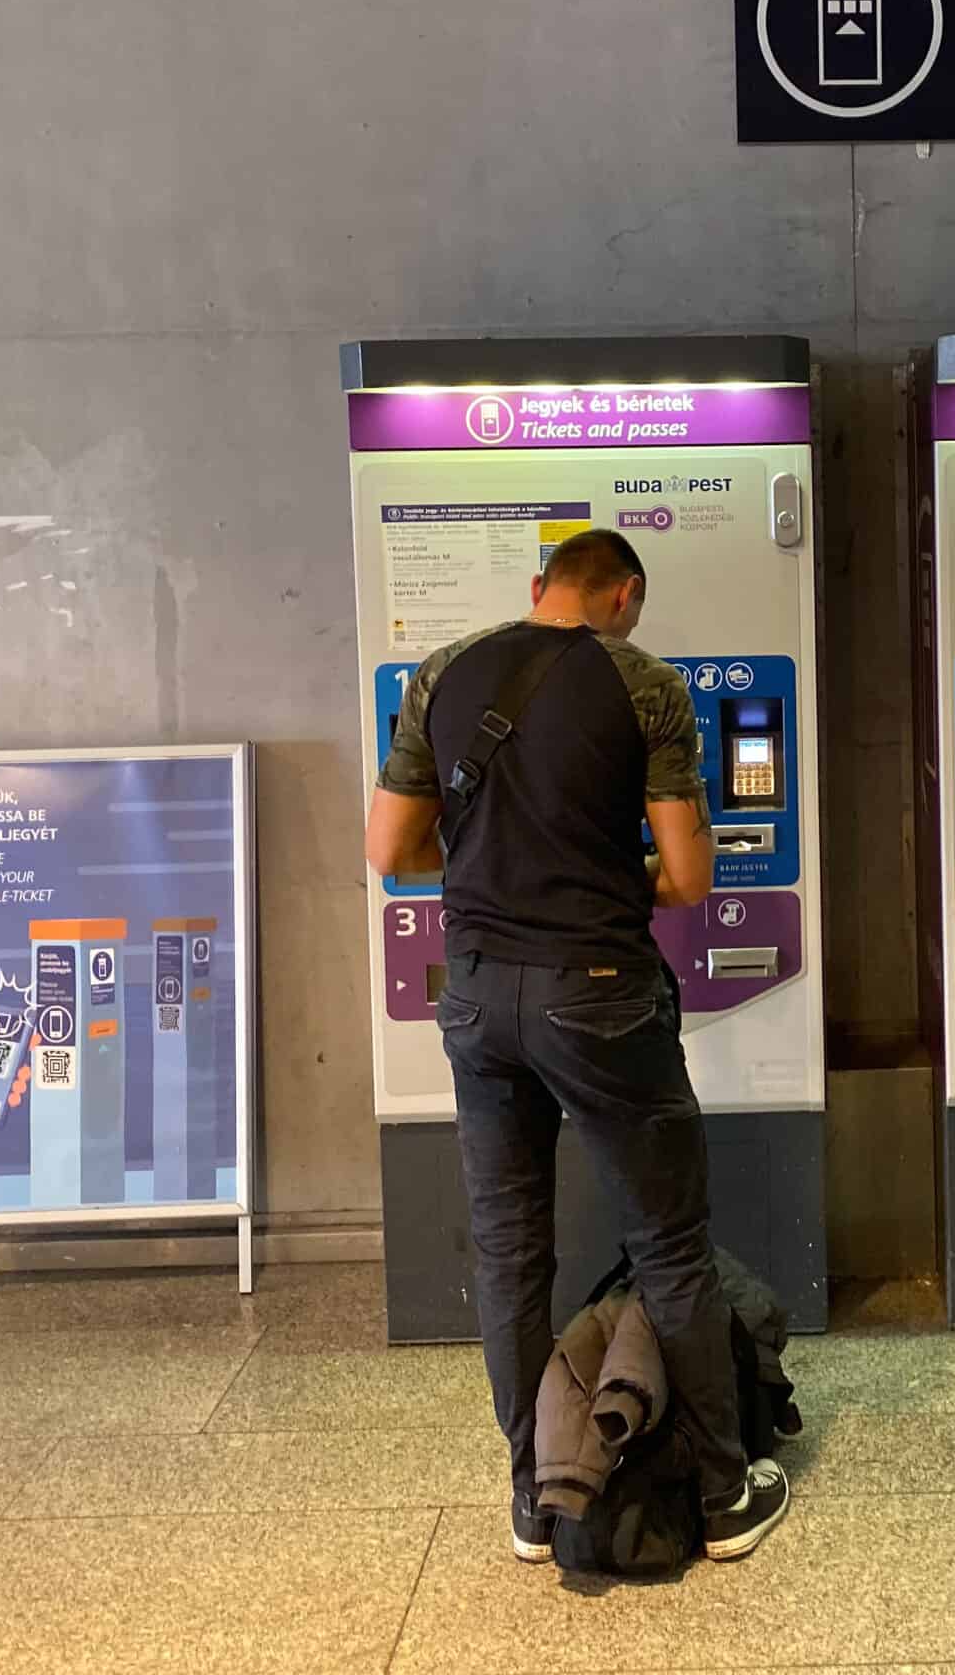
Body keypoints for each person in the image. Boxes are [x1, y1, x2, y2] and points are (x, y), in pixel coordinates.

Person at [363, 527, 791, 1565]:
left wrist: (503, 878)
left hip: (476, 994)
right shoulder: (644, 685)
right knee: (670, 1247)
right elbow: (689, 876)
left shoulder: (442, 673)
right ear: (623, 594)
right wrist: (606, 878)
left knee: (510, 1251)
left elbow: (392, 850)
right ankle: (724, 1496)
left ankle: (534, 1496)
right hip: (596, 993)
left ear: (538, 586)